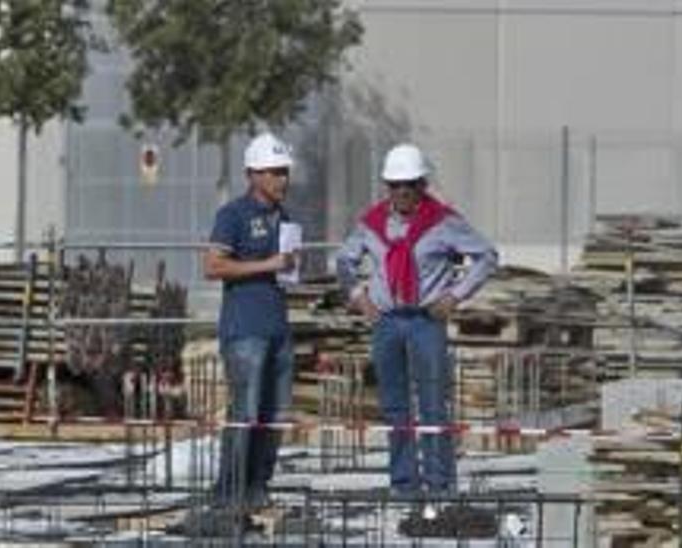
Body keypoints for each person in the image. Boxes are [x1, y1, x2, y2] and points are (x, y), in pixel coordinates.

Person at [335, 144, 498, 499]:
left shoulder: (443, 222)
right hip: (387, 321)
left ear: (422, 184)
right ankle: (404, 484)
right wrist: (359, 298)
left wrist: (455, 295)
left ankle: (440, 485)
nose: (402, 191)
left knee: (433, 404)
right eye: (395, 184)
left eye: (409, 183)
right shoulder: (372, 223)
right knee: (395, 406)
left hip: (426, 321)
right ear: (387, 186)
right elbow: (344, 261)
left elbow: (487, 256)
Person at [199, 132, 299, 529]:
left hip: (278, 328)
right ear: (253, 174)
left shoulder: (287, 219)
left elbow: (284, 270)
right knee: (245, 414)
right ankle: (230, 493)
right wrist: (268, 265)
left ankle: (258, 488)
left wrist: (290, 270)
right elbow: (213, 267)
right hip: (245, 332)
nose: (282, 180)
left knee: (274, 416)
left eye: (285, 172)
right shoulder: (233, 215)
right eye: (275, 173)